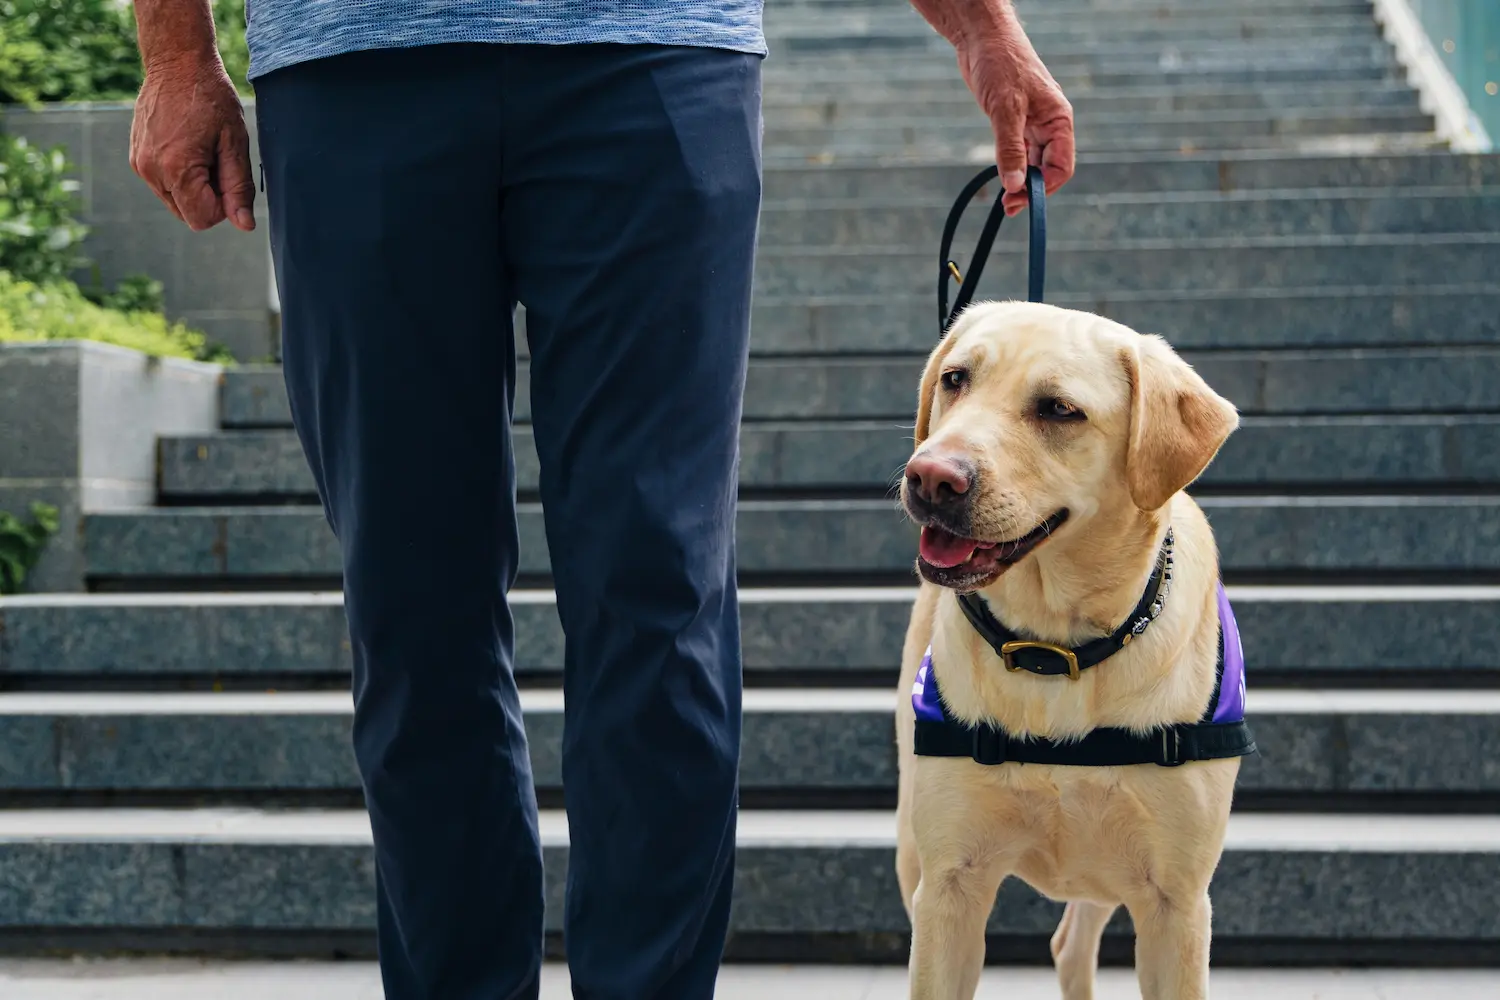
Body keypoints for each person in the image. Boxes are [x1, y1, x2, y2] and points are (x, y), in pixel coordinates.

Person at [128, 1, 1074, 997]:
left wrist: (983, 29)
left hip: (655, 49)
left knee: (659, 589)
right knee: (411, 603)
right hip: (356, 65)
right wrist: (176, 51)